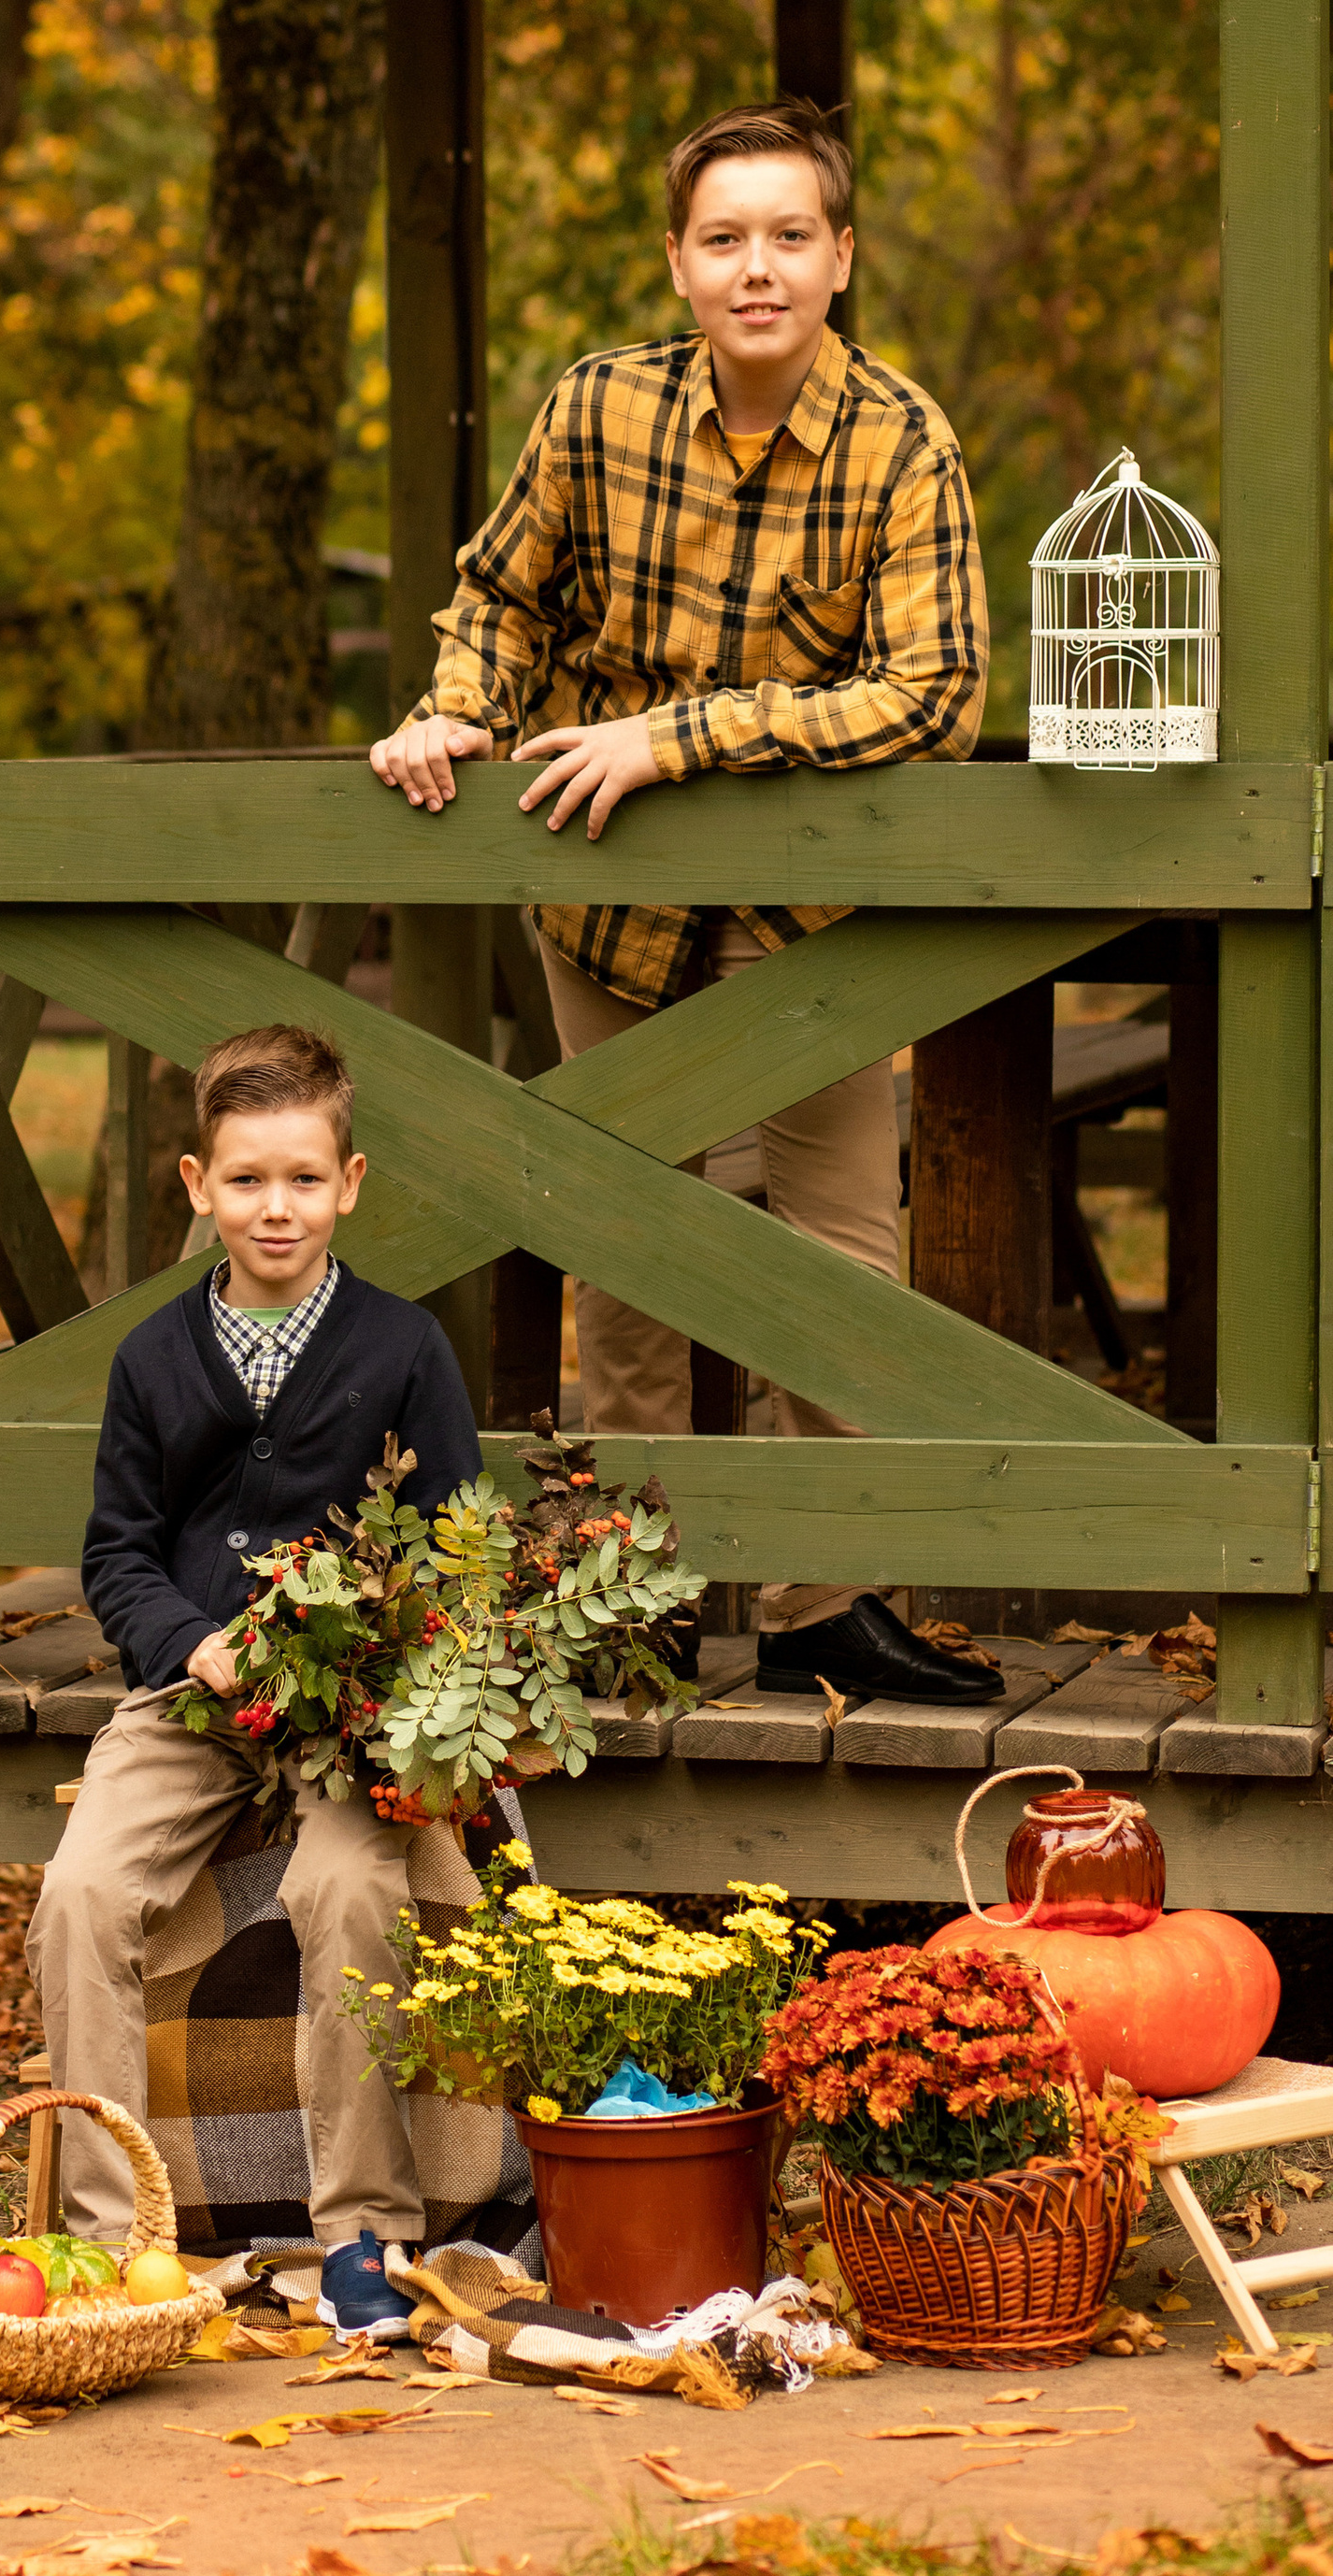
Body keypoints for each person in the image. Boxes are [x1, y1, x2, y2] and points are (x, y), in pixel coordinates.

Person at [369, 95, 997, 1710]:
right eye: (726, 239)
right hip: (608, 902)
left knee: (840, 1255)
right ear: (680, 263)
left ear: (842, 258)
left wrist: (683, 736)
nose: (759, 267)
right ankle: (614, 1598)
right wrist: (461, 702)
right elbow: (504, 595)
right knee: (621, 1247)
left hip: (821, 934)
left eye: (792, 235)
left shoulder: (903, 441)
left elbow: (934, 697)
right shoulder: (596, 411)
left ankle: (821, 1604)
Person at [27, 1020, 483, 2341]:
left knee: (345, 1887)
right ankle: (113, 2240)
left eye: (300, 1179)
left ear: (349, 1185)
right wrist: (191, 1641)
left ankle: (364, 2231)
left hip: (351, 1712)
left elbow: (459, 1542)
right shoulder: (156, 1359)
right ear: (194, 1187)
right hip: (196, 1691)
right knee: (80, 1895)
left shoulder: (405, 1350)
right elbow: (115, 1554)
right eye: (245, 1181)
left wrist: (393, 1670)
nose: (272, 1208)